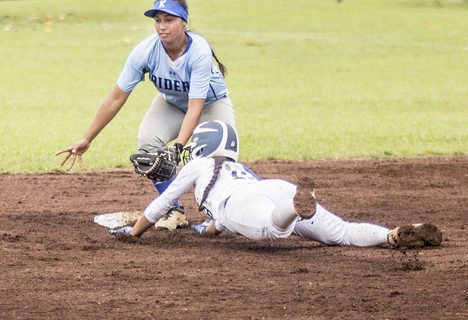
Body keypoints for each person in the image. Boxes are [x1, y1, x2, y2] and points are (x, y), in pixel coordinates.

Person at [110, 121, 443, 249]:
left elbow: (162, 203)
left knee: (272, 228)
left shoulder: (198, 165)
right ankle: (392, 235)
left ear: (200, 145)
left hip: (251, 204)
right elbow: (222, 223)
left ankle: (294, 208)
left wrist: (134, 232)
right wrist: (206, 230)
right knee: (340, 232)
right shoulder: (239, 168)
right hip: (275, 187)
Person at [56, 0, 235, 230]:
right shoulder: (145, 51)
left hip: (211, 104)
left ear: (183, 21)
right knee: (148, 143)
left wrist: (179, 147)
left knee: (218, 159)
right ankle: (172, 210)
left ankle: (218, 216)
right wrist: (87, 138)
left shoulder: (198, 51)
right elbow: (116, 97)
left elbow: (195, 107)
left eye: (169, 20)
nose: (162, 26)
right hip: (171, 103)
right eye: (157, 20)